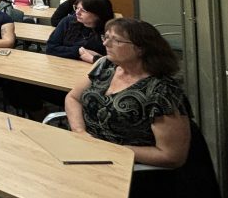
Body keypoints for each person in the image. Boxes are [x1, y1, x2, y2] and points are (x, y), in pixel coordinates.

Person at [66, 18, 191, 169]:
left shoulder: (162, 90)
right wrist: (80, 132)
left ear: (141, 49)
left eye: (116, 40)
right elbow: (73, 98)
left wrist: (109, 149)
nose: (105, 44)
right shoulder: (106, 65)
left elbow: (171, 155)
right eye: (106, 37)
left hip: (123, 167)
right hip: (84, 150)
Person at [47, 0, 114, 63]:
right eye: (77, 8)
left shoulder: (111, 32)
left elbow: (113, 61)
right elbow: (50, 48)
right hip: (63, 65)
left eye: (83, 10)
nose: (77, 13)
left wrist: (94, 58)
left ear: (98, 14)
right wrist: (79, 51)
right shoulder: (68, 21)